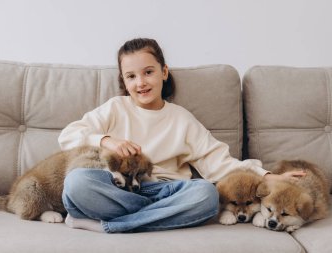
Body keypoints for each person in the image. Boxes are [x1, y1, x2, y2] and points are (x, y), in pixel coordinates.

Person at [59, 38, 305, 233]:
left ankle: (108, 224)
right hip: (120, 189)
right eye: (131, 76)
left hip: (167, 191)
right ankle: (152, 217)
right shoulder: (115, 107)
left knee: (206, 196)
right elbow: (68, 135)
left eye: (148, 72)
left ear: (163, 72)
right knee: (76, 183)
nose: (141, 83)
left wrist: (269, 177)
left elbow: (219, 163)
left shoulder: (181, 119)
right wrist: (106, 141)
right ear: (123, 80)